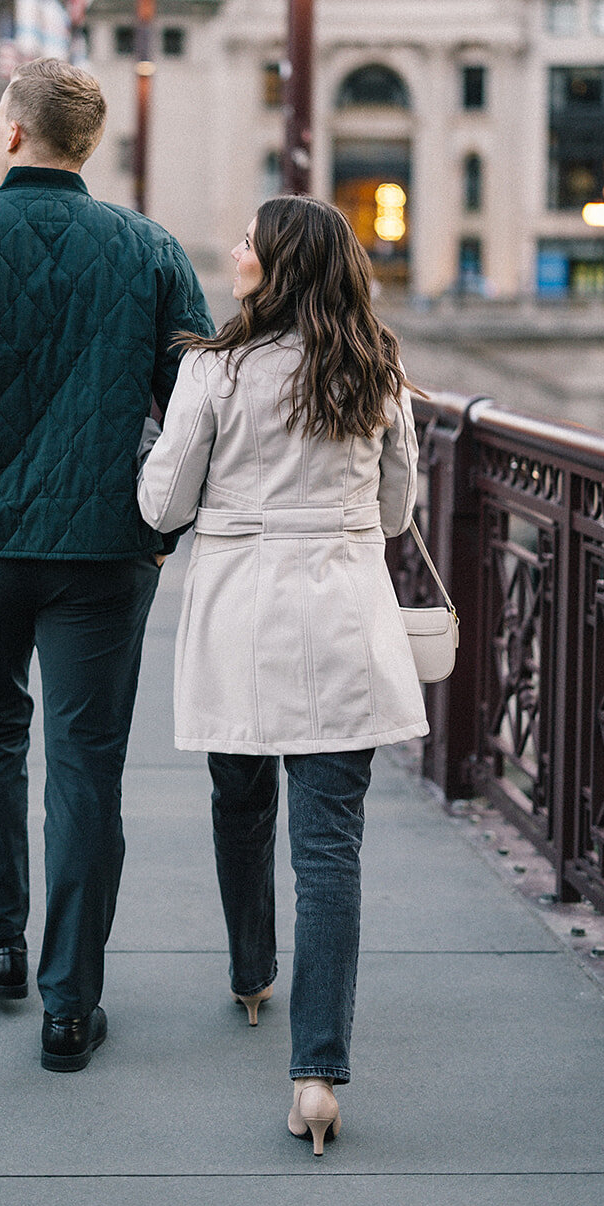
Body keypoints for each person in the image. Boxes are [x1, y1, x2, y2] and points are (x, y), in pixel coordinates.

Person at [0, 58, 212, 1072]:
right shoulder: (148, 250)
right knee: (86, 765)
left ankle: (0, 943)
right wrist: (162, 527)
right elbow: (197, 407)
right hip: (104, 551)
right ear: (86, 144)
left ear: (9, 134)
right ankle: (70, 1004)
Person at [137, 195, 427, 1151]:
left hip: (243, 615)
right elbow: (394, 515)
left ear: (275, 265)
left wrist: (154, 457)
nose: (232, 250)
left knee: (238, 791)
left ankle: (250, 970)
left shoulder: (214, 369)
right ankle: (316, 1077)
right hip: (343, 614)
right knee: (330, 850)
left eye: (247, 241)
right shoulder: (377, 370)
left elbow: (163, 504)